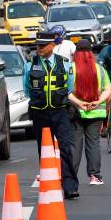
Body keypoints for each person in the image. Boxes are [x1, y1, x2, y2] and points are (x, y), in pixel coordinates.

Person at [22, 30, 79, 199]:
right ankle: (49, 184)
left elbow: (69, 88)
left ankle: (70, 187)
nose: (39, 48)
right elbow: (27, 89)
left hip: (60, 112)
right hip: (40, 114)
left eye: (42, 45)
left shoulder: (65, 64)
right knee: (44, 151)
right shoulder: (30, 65)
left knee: (67, 149)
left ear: (52, 46)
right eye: (37, 45)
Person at [68, 39, 111, 186]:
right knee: (93, 144)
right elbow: (108, 89)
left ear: (76, 54)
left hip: (76, 112)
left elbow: (66, 92)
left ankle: (71, 176)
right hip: (96, 113)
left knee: (75, 145)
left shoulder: (71, 69)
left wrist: (80, 103)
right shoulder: (99, 69)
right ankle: (95, 176)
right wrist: (98, 102)